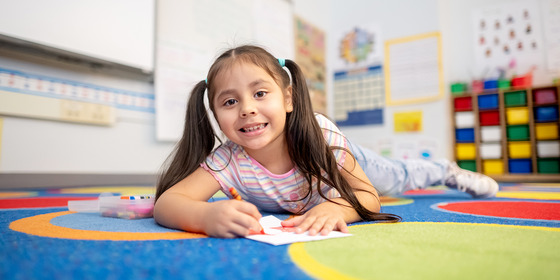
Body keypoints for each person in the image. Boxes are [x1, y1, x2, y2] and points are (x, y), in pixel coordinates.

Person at [153, 45, 498, 238]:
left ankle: (445, 170)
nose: (247, 110)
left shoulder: (322, 138)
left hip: (333, 156)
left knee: (396, 177)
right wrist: (204, 216)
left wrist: (337, 207)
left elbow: (368, 197)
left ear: (288, 99)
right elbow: (169, 203)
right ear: (215, 113)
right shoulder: (228, 159)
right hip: (310, 190)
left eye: (260, 93)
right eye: (229, 102)